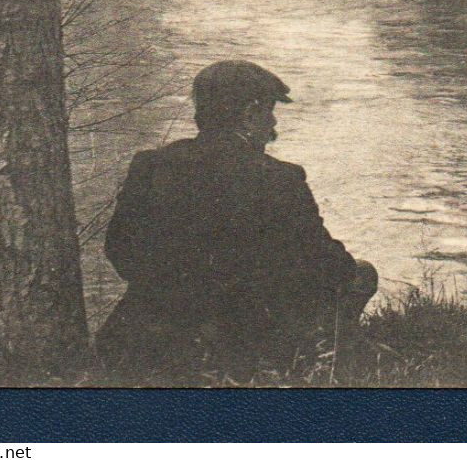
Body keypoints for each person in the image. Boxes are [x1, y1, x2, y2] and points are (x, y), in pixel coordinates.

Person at [96, 60, 377, 382]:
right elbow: (328, 266)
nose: (273, 124)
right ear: (249, 114)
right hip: (238, 349)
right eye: (270, 111)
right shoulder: (278, 178)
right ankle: (333, 358)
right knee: (362, 274)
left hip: (141, 340)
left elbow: (120, 252)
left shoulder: (150, 165)